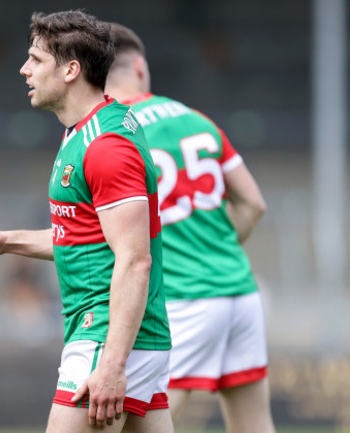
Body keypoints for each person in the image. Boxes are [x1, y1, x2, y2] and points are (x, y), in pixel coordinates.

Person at [0, 10, 173, 433]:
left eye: (36, 59)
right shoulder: (84, 130)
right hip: (124, 336)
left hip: (106, 336)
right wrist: (6, 241)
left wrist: (111, 364)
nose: (24, 70)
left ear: (71, 70)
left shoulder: (106, 145)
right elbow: (83, 238)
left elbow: (135, 260)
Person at [105, 22, 275, 433]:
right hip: (239, 291)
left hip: (183, 300)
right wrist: (212, 252)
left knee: (140, 425)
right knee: (254, 425)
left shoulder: (113, 131)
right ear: (140, 67)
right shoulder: (195, 118)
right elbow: (253, 203)